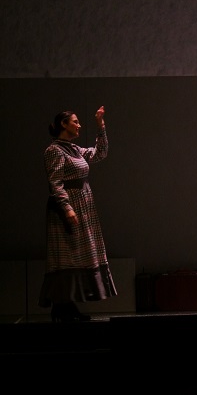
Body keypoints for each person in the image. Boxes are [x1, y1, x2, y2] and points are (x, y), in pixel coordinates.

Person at [38, 106, 117, 322]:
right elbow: (55, 183)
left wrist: (100, 126)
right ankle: (61, 307)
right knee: (67, 257)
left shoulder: (73, 149)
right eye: (75, 121)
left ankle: (66, 306)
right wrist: (67, 208)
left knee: (80, 255)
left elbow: (99, 153)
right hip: (67, 209)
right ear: (63, 124)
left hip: (83, 206)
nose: (79, 125)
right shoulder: (54, 151)